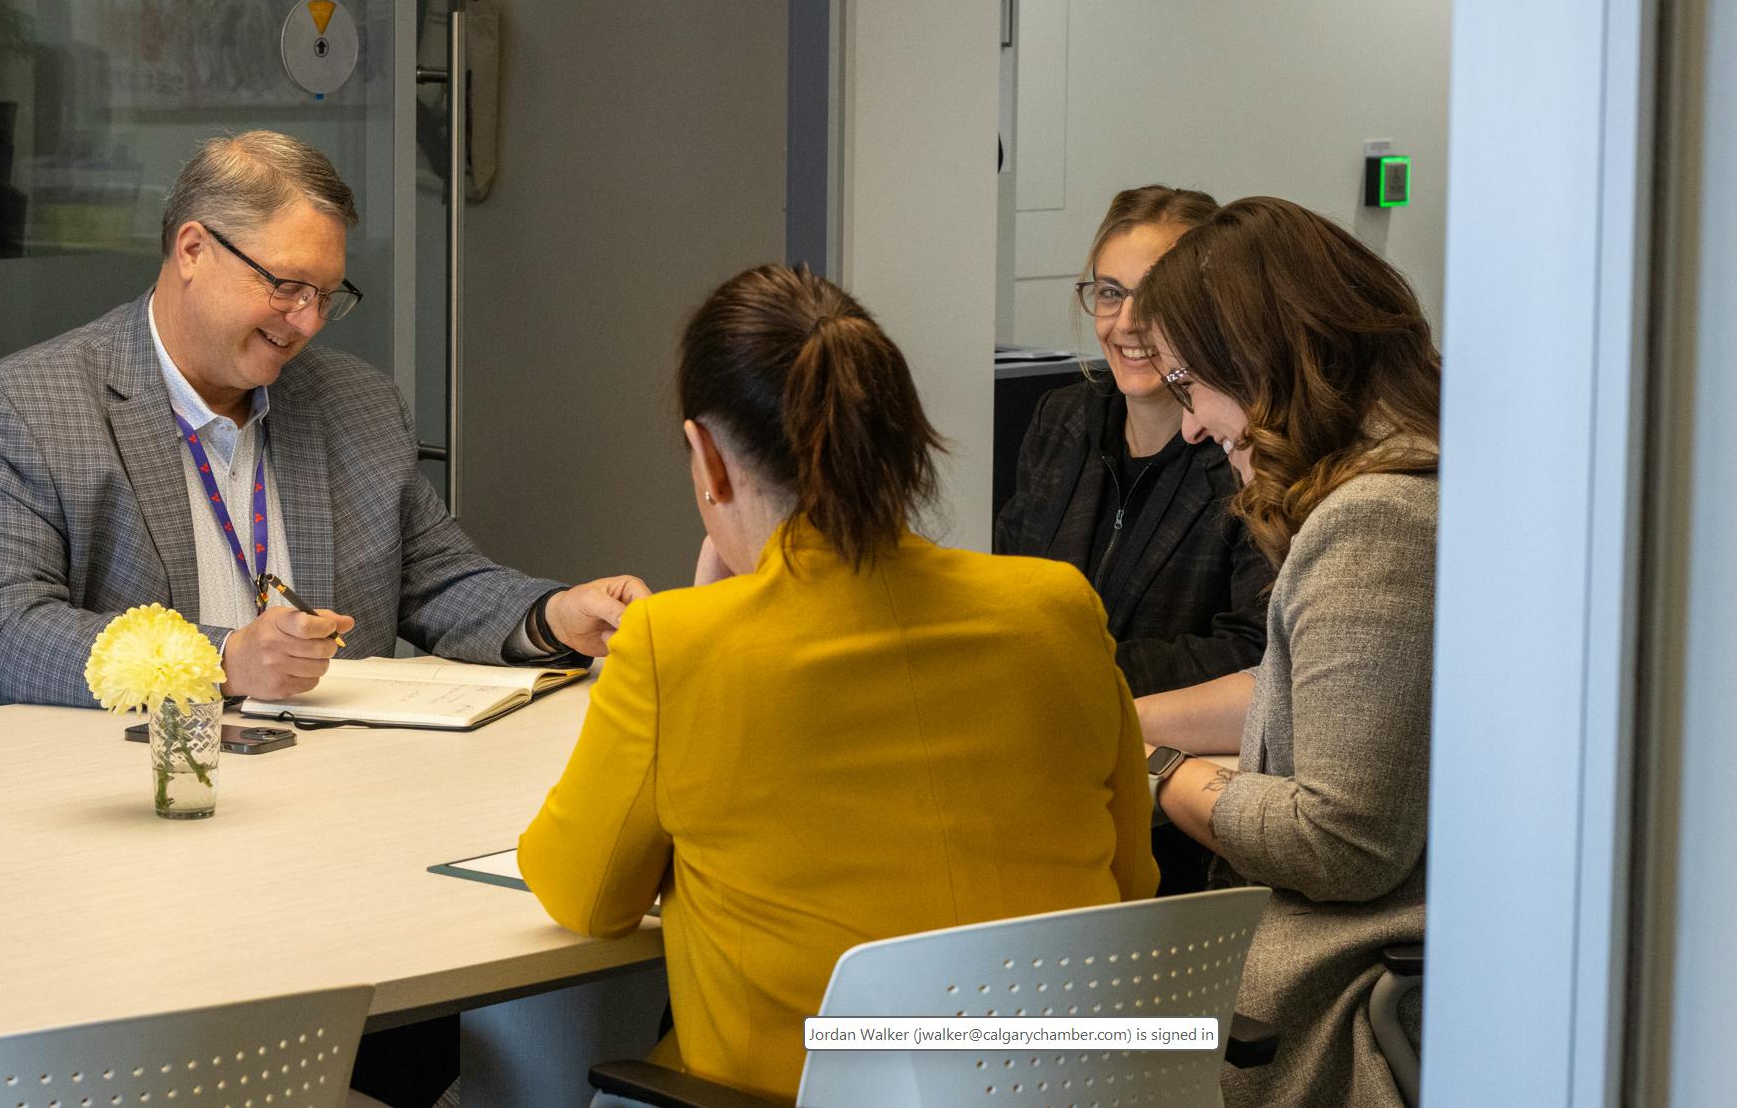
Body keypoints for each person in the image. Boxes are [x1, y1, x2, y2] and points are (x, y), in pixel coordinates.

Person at [518, 264, 1158, 1105]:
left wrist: (709, 618)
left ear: (706, 457)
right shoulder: (1055, 608)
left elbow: (585, 894)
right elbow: (1131, 882)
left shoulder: (677, 647)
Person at [0, 131, 648, 714]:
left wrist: (555, 613)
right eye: (286, 287)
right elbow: (10, 633)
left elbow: (439, 583)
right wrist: (223, 661)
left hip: (306, 791)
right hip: (78, 798)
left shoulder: (356, 404)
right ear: (192, 249)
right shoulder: (22, 410)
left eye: (326, 296)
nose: (306, 322)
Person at [1130, 197, 1439, 1108]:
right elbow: (1308, 688)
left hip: (1321, 1002)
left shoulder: (1377, 518)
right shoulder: (1409, 483)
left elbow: (1341, 839)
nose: (1190, 425)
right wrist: (1119, 716)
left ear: (1262, 360)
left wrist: (1156, 767)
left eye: (1191, 385)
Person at [996, 185, 1268, 897]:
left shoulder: (1241, 451)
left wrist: (1078, 670)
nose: (1128, 321)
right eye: (1110, 293)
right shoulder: (1064, 420)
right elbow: (1009, 592)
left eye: (1159, 296)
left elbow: (1252, 649)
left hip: (1179, 829)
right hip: (1041, 782)